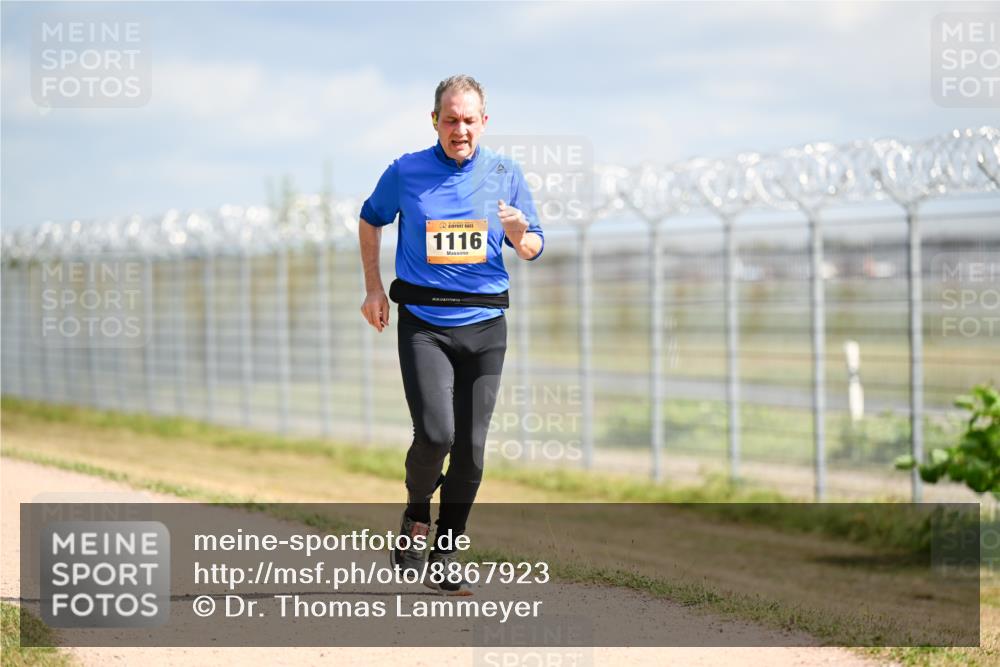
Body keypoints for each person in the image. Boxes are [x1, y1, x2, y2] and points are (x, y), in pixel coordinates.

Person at [358, 74, 544, 595]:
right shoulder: (406, 171)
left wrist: (517, 235)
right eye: (450, 119)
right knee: (437, 434)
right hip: (425, 325)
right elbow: (370, 220)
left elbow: (534, 246)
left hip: (486, 326)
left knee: (472, 451)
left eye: (469, 120)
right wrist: (374, 289)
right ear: (434, 120)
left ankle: (446, 551)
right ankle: (416, 511)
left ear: (484, 121)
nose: (459, 129)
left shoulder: (506, 173)